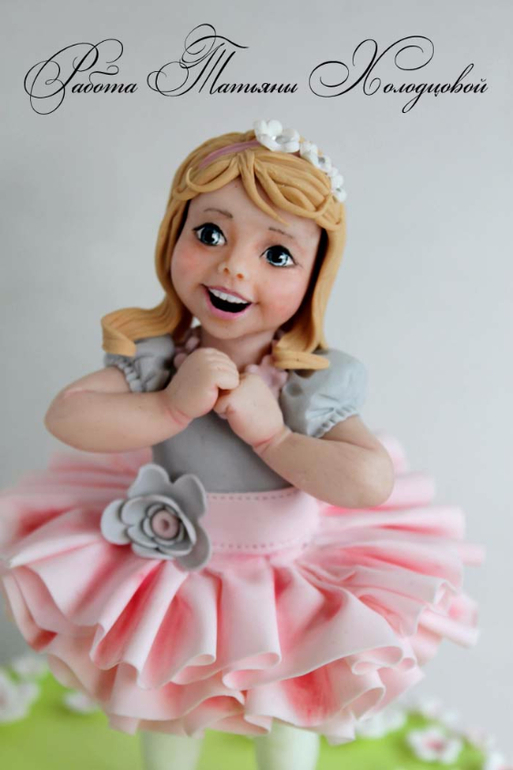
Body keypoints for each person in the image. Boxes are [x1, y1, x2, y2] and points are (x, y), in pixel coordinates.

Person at [0, 120, 482, 770]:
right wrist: (169, 406)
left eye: (276, 255)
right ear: (173, 235)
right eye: (209, 234)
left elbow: (368, 481)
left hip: (281, 578)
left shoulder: (308, 380)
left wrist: (273, 434)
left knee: (285, 716)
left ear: (314, 279)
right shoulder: (159, 359)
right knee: (167, 700)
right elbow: (67, 415)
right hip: (175, 579)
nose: (233, 265)